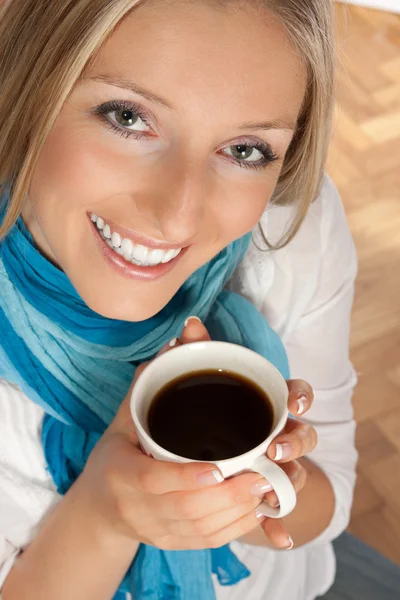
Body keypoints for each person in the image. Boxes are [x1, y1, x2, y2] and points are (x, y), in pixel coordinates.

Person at [0, 0, 361, 599]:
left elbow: (332, 504)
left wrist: (260, 479)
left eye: (246, 150)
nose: (178, 214)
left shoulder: (293, 231)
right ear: (26, 83)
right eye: (127, 116)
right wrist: (107, 515)